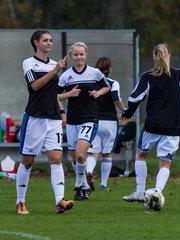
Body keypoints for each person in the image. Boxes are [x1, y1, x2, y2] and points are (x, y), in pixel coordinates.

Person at [121, 43, 180, 209]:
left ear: (154, 57)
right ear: (170, 56)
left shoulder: (147, 77)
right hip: (172, 128)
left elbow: (134, 99)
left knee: (140, 155)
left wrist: (127, 114)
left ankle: (140, 191)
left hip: (152, 126)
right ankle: (157, 192)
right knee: (165, 164)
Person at [16, 29, 74, 215]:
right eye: (45, 40)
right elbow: (35, 86)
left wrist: (62, 111)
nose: (49, 43)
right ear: (36, 42)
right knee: (27, 161)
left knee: (56, 159)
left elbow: (52, 93)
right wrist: (56, 70)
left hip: (53, 119)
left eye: (51, 40)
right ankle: (20, 202)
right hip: (35, 118)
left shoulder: (53, 63)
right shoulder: (29, 63)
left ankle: (60, 201)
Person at [58, 42, 110, 201]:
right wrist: (69, 95)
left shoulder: (95, 73)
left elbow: (106, 87)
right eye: (76, 54)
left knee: (81, 155)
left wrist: (98, 93)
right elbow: (55, 96)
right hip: (73, 120)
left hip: (90, 118)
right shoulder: (66, 75)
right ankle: (83, 185)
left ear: (86, 55)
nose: (79, 57)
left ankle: (79, 185)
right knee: (75, 158)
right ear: (71, 56)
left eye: (82, 54)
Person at [85, 57, 126, 191]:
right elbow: (116, 100)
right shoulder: (113, 83)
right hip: (110, 123)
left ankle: (89, 171)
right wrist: (125, 111)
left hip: (94, 121)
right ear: (110, 69)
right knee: (107, 154)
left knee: (93, 153)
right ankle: (103, 184)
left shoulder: (91, 83)